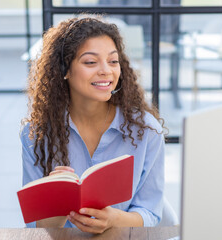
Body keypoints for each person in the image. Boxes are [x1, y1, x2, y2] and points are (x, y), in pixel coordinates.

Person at [20, 16, 166, 233]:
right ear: (65, 70)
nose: (106, 70)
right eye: (90, 62)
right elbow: (34, 227)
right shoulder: (37, 134)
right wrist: (55, 201)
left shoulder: (146, 131)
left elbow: (151, 213)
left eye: (113, 61)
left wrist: (115, 219)